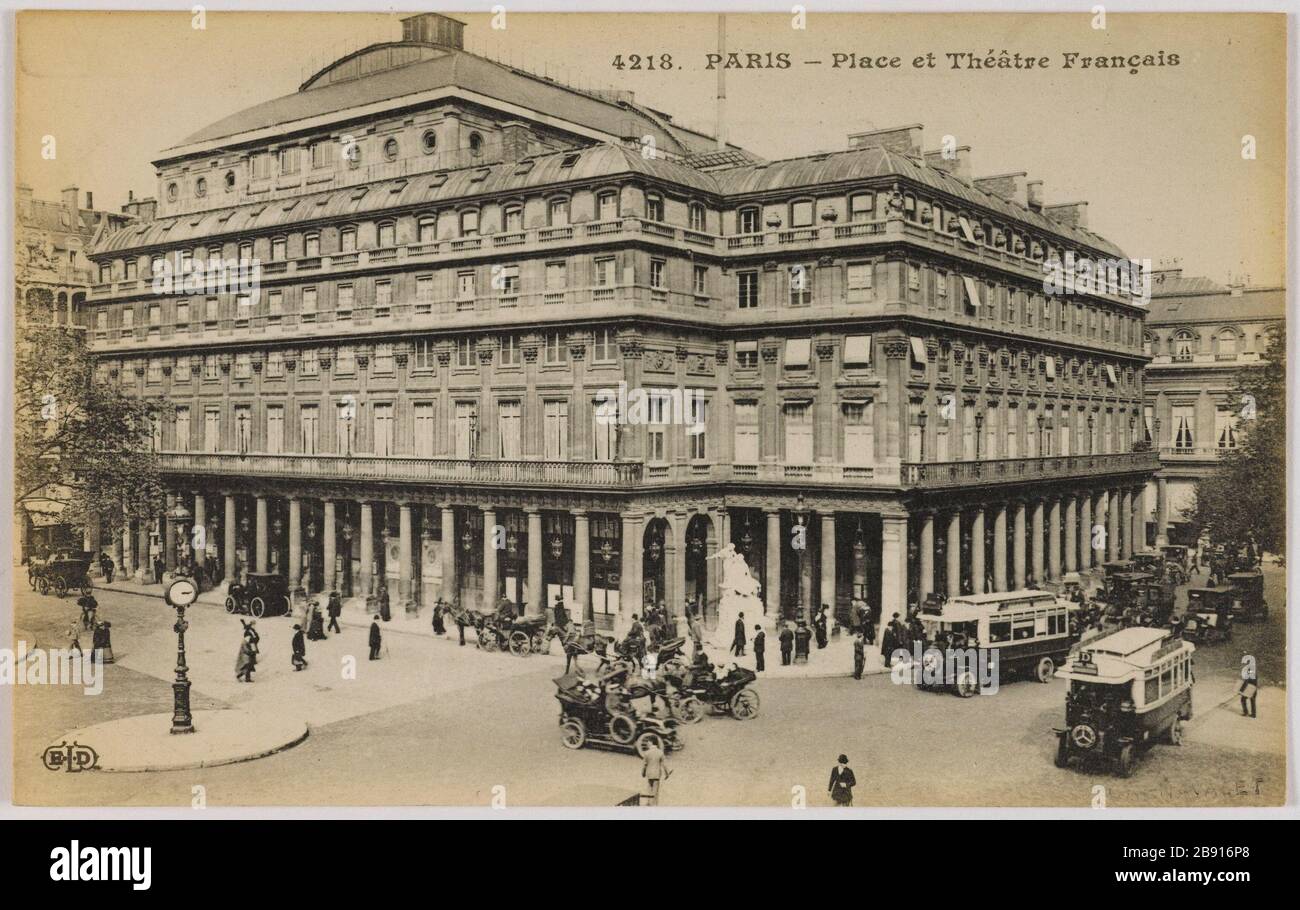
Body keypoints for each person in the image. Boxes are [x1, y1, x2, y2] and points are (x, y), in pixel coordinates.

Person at [641, 738, 669, 806]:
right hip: (657, 774)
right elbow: (664, 764)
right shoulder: (660, 752)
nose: (647, 744)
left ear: (651, 742)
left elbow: (645, 765)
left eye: (648, 742)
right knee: (655, 792)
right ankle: (655, 805)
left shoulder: (647, 753)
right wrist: (667, 773)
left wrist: (643, 773)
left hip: (649, 774)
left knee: (649, 790)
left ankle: (649, 803)